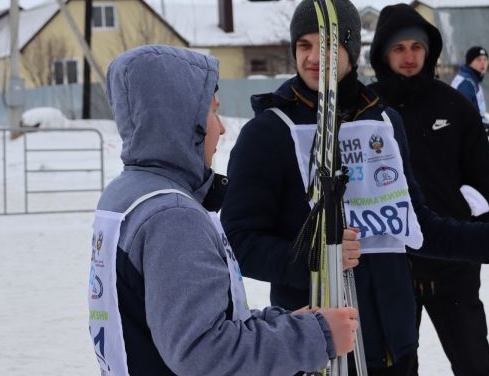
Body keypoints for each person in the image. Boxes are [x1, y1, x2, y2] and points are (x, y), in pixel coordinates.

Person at [221, 0, 489, 375]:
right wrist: (317, 258)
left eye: (329, 45)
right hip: (316, 348)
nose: (315, 58)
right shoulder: (269, 131)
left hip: (392, 345)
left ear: (350, 50)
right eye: (305, 45)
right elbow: (240, 239)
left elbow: (417, 225)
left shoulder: (383, 123)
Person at [88, 45, 359, 376]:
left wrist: (288, 324)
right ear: (184, 123)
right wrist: (315, 337)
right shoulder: (171, 216)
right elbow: (204, 352)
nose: (221, 128)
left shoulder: (128, 194)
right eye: (213, 113)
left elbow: (194, 321)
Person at [367, 4, 489, 376]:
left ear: (429, 51)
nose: (409, 57)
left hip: (452, 263)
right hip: (393, 265)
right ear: (383, 54)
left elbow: (483, 175)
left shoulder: (454, 105)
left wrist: (480, 210)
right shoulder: (366, 110)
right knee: (396, 367)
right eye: (399, 48)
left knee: (474, 364)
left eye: (416, 47)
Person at [451, 45, 489, 136]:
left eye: (485, 59)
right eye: (479, 59)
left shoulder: (472, 80)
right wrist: (483, 125)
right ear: (470, 62)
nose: (483, 63)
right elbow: (464, 114)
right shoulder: (466, 83)